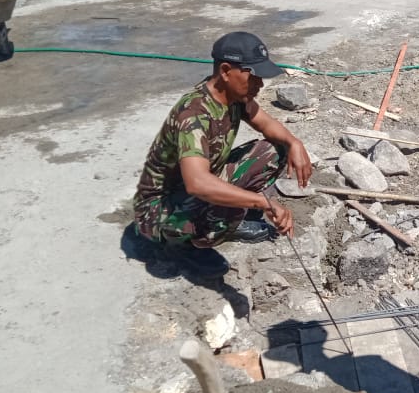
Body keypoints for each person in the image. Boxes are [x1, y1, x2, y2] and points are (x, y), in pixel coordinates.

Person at [133, 31, 313, 277]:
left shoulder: (235, 96)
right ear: (227, 71)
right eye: (254, 76)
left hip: (199, 182)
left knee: (275, 149)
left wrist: (294, 143)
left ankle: (226, 216)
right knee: (227, 200)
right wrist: (262, 202)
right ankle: (185, 245)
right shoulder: (194, 114)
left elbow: (267, 124)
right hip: (159, 209)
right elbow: (198, 184)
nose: (260, 84)